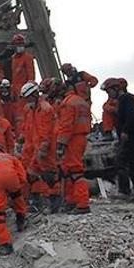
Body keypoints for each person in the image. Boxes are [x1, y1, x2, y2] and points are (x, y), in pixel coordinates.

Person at [21, 82, 60, 212]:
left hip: (45, 148)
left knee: (49, 174)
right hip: (35, 147)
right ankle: (37, 202)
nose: (27, 100)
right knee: (32, 173)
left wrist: (43, 147)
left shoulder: (45, 109)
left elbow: (46, 130)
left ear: (34, 94)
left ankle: (55, 202)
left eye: (28, 97)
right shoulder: (31, 109)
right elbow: (29, 128)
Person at [55, 81, 92, 214]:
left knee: (75, 171)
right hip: (82, 137)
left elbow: (67, 125)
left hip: (73, 139)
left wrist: (61, 144)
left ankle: (82, 203)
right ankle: (72, 200)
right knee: (69, 170)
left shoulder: (67, 103)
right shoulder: (81, 101)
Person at [108, 78, 134, 201]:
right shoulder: (124, 100)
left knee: (122, 162)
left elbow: (131, 116)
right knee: (132, 164)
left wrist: (125, 131)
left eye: (109, 91)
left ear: (116, 89)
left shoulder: (127, 99)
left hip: (130, 136)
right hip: (131, 136)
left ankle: (126, 191)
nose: (109, 94)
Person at [0, 143, 28, 255]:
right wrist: (19, 186)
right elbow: (22, 175)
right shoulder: (10, 157)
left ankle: (5, 244)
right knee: (17, 196)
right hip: (12, 177)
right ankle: (21, 219)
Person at [10, 34, 35, 99]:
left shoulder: (28, 57)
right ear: (14, 46)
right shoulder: (13, 58)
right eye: (18, 44)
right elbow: (14, 76)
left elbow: (31, 75)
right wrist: (13, 90)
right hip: (16, 92)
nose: (20, 46)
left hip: (25, 91)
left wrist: (28, 91)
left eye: (21, 44)